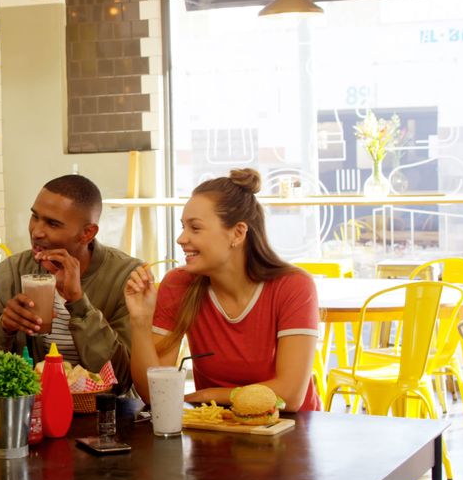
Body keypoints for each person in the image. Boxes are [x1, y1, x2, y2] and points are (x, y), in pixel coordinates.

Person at [125, 168, 320, 411]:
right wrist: (140, 322)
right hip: (216, 429)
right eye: (182, 227)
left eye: (195, 228)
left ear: (237, 233)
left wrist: (212, 394)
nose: (181, 239)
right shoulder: (179, 283)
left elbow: (290, 396)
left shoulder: (293, 287)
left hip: (289, 429)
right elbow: (154, 394)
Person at [0, 174, 141, 393]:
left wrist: (78, 303)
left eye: (52, 224)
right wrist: (3, 328)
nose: (36, 231)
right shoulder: (11, 272)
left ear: (87, 233)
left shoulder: (124, 277)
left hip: (104, 416)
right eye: (35, 217)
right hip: (32, 413)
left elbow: (121, 380)